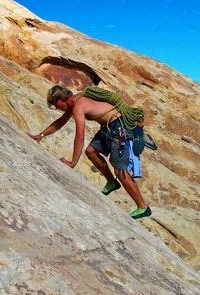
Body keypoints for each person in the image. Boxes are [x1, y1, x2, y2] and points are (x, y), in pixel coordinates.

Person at [28, 85, 151, 219]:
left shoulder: (79, 105)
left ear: (62, 99)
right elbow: (61, 121)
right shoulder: (76, 101)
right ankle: (111, 182)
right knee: (91, 151)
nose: (57, 108)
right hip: (109, 127)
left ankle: (143, 206)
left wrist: (72, 162)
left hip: (119, 129)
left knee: (120, 170)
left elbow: (80, 136)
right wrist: (41, 135)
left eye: (56, 105)